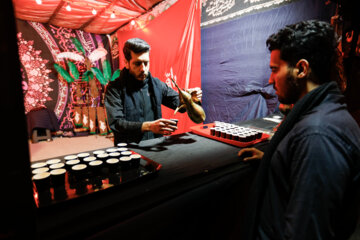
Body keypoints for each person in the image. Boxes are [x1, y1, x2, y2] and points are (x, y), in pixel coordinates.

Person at [238, 20, 360, 240]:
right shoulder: (325, 121)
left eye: (275, 70)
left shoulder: (318, 136)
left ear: (302, 69)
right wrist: (276, 159)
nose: (270, 79)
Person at [105, 38, 202, 144]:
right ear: (126, 63)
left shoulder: (156, 84)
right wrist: (148, 126)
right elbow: (116, 123)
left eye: (146, 63)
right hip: (128, 149)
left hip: (155, 146)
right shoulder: (114, 88)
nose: (143, 69)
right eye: (137, 64)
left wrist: (190, 99)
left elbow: (180, 105)